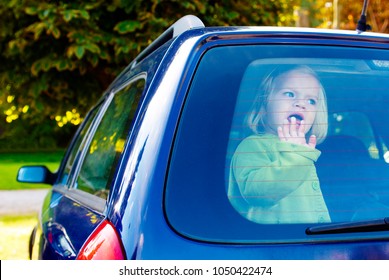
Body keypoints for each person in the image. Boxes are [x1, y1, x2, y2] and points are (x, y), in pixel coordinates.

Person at [228, 65, 331, 224]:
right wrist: (295, 156)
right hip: (277, 243)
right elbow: (257, 194)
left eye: (311, 100)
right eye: (290, 94)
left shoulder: (303, 150)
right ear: (265, 105)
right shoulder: (252, 146)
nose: (301, 104)